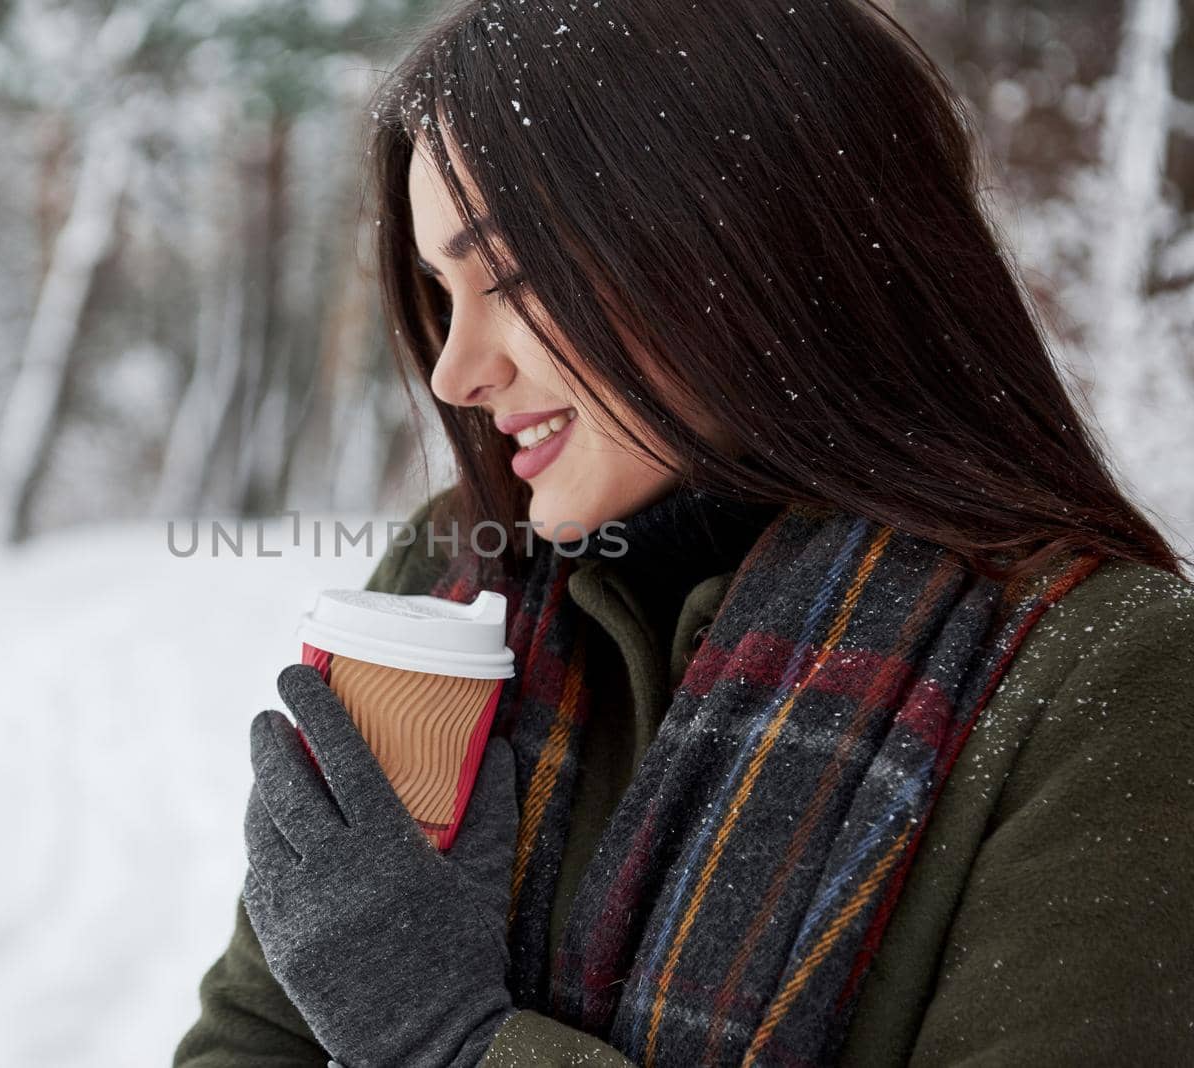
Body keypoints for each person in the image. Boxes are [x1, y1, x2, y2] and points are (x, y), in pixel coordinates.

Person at [175, 0, 1194, 1064]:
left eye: (513, 279)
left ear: (745, 235)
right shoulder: (458, 576)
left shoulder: (1108, 684)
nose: (454, 371)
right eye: (444, 291)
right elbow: (250, 1038)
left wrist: (457, 1042)